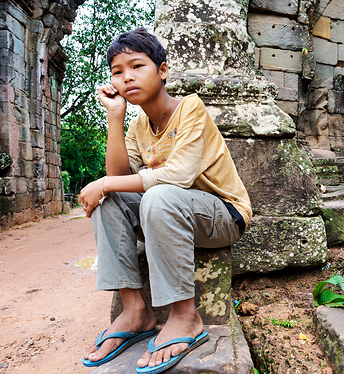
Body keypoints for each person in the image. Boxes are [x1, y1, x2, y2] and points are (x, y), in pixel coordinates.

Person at [79, 27, 251, 373]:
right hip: (169, 212)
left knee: (156, 193)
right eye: (117, 71)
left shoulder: (191, 108)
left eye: (137, 66)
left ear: (162, 70)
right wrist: (116, 116)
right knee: (108, 199)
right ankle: (135, 312)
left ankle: (185, 315)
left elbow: (178, 176)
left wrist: (105, 182)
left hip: (221, 215)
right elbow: (117, 177)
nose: (127, 77)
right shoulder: (138, 126)